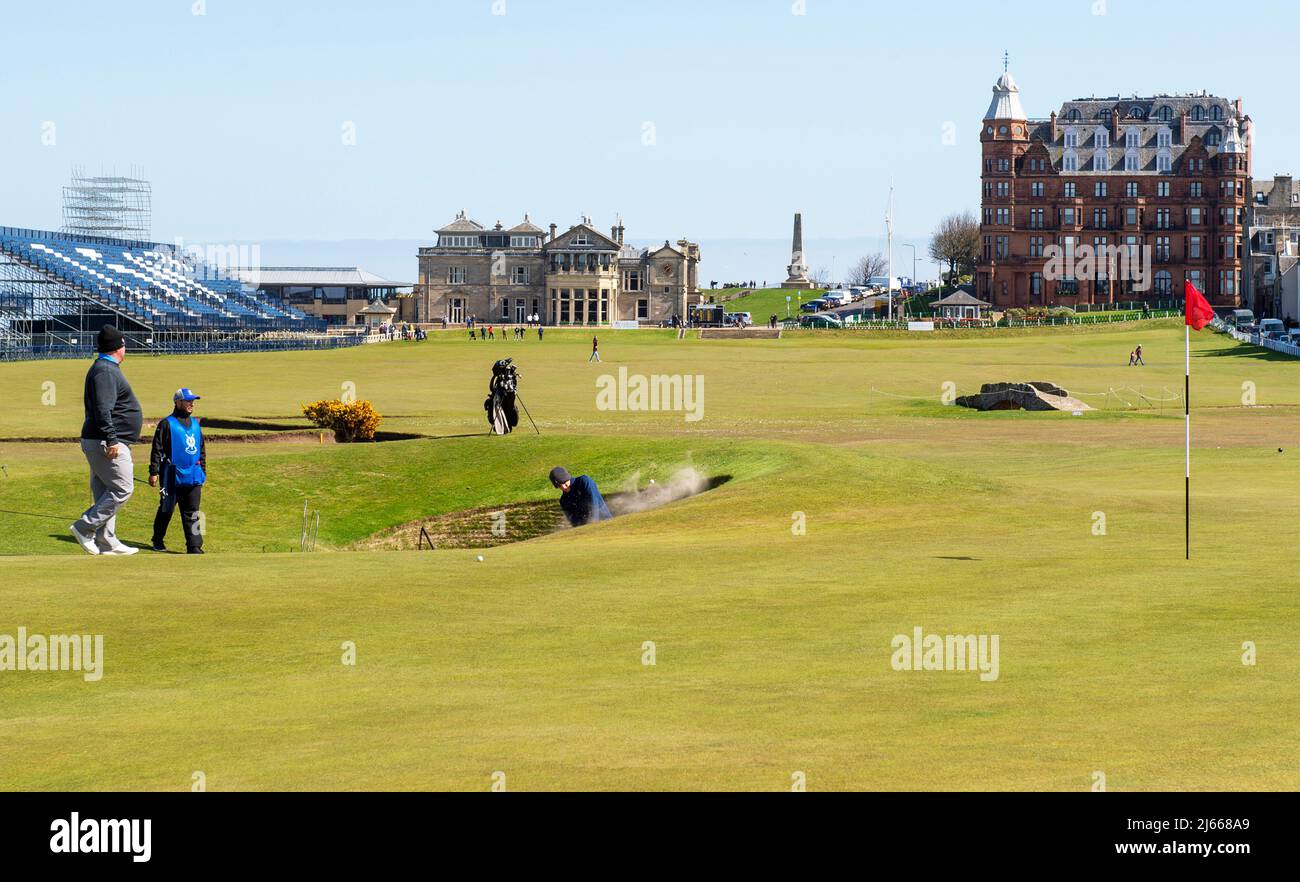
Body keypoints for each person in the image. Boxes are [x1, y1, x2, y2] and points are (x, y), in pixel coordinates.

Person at [70, 324, 143, 555]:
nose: (125, 349)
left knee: (105, 492)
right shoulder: (105, 371)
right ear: (118, 347)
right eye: (124, 345)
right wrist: (112, 439)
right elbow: (103, 409)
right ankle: (84, 527)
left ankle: (106, 541)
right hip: (107, 441)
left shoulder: (106, 368)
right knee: (123, 488)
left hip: (103, 439)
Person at [149, 388, 207, 554]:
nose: (191, 404)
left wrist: (203, 471)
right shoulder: (166, 424)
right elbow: (157, 449)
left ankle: (195, 546)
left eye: (192, 401)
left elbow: (201, 449)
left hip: (194, 474)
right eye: (188, 401)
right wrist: (154, 472)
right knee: (166, 509)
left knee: (194, 512)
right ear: (177, 402)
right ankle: (157, 540)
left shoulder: (195, 424)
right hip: (171, 475)